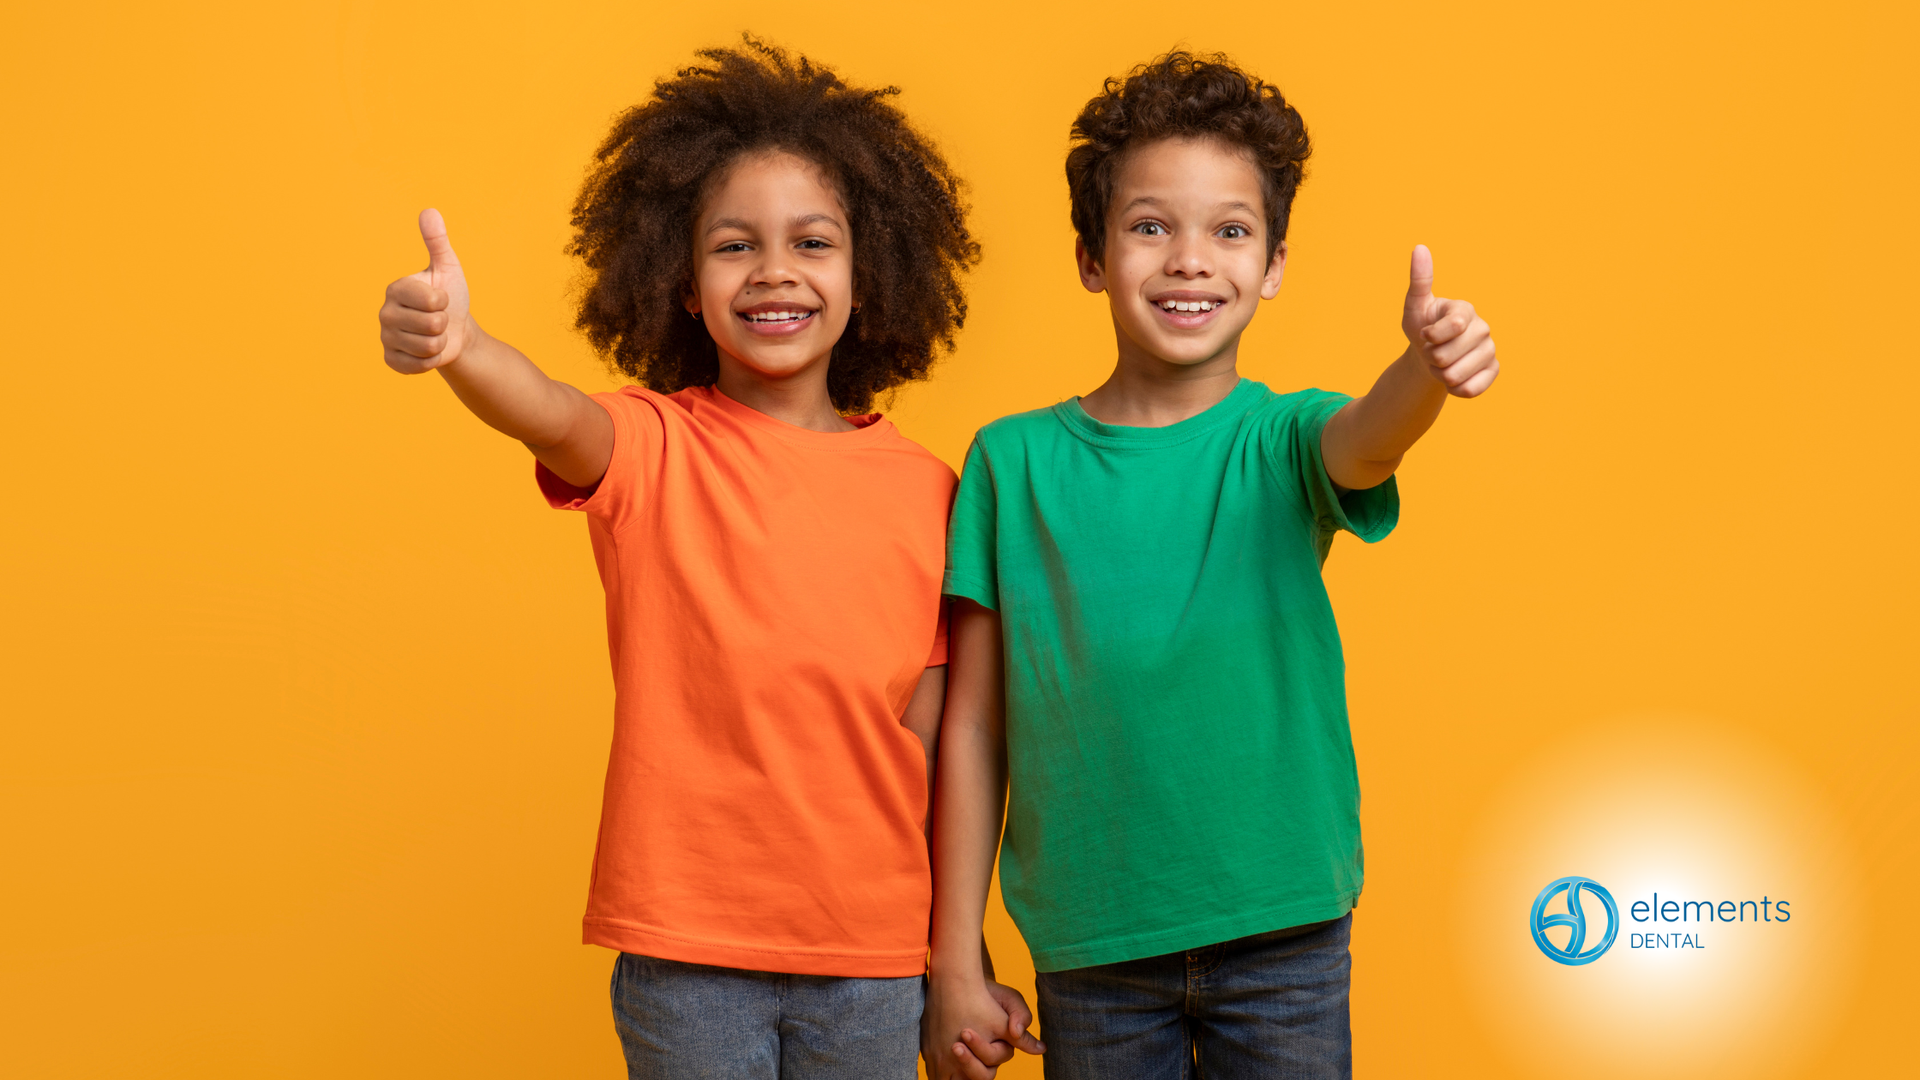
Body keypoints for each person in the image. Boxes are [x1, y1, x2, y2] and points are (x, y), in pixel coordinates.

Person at [376, 39, 1032, 1080]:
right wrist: (463, 347)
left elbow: (936, 746)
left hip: (869, 959)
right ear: (681, 284)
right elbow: (548, 409)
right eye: (735, 247)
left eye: (812, 242)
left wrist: (959, 962)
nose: (775, 271)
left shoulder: (933, 492)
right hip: (687, 957)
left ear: (870, 272)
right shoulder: (650, 447)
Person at [922, 50, 1500, 1079]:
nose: (1191, 259)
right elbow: (971, 725)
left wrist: (1423, 371)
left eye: (1230, 231)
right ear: (1093, 256)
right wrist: (952, 959)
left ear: (1273, 266)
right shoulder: (1012, 463)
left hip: (1284, 932)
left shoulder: (1284, 440)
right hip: (1093, 947)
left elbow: (1369, 439)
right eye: (1151, 226)